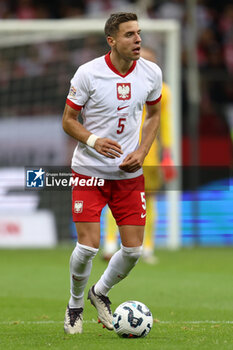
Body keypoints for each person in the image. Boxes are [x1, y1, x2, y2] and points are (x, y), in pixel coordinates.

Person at [62, 12, 162, 334]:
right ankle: (75, 306)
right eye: (130, 34)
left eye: (139, 33)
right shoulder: (88, 73)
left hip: (128, 176)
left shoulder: (151, 73)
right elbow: (68, 120)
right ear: (112, 40)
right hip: (89, 171)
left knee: (133, 250)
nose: (138, 40)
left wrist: (142, 152)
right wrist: (93, 140)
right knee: (89, 246)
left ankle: (99, 293)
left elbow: (154, 114)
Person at [103, 47, 176, 264]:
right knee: (114, 197)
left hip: (150, 154)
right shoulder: (118, 86)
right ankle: (109, 244)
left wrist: (168, 155)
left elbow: (165, 124)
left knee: (148, 200)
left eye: (148, 61)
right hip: (120, 151)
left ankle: (147, 247)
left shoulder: (163, 90)